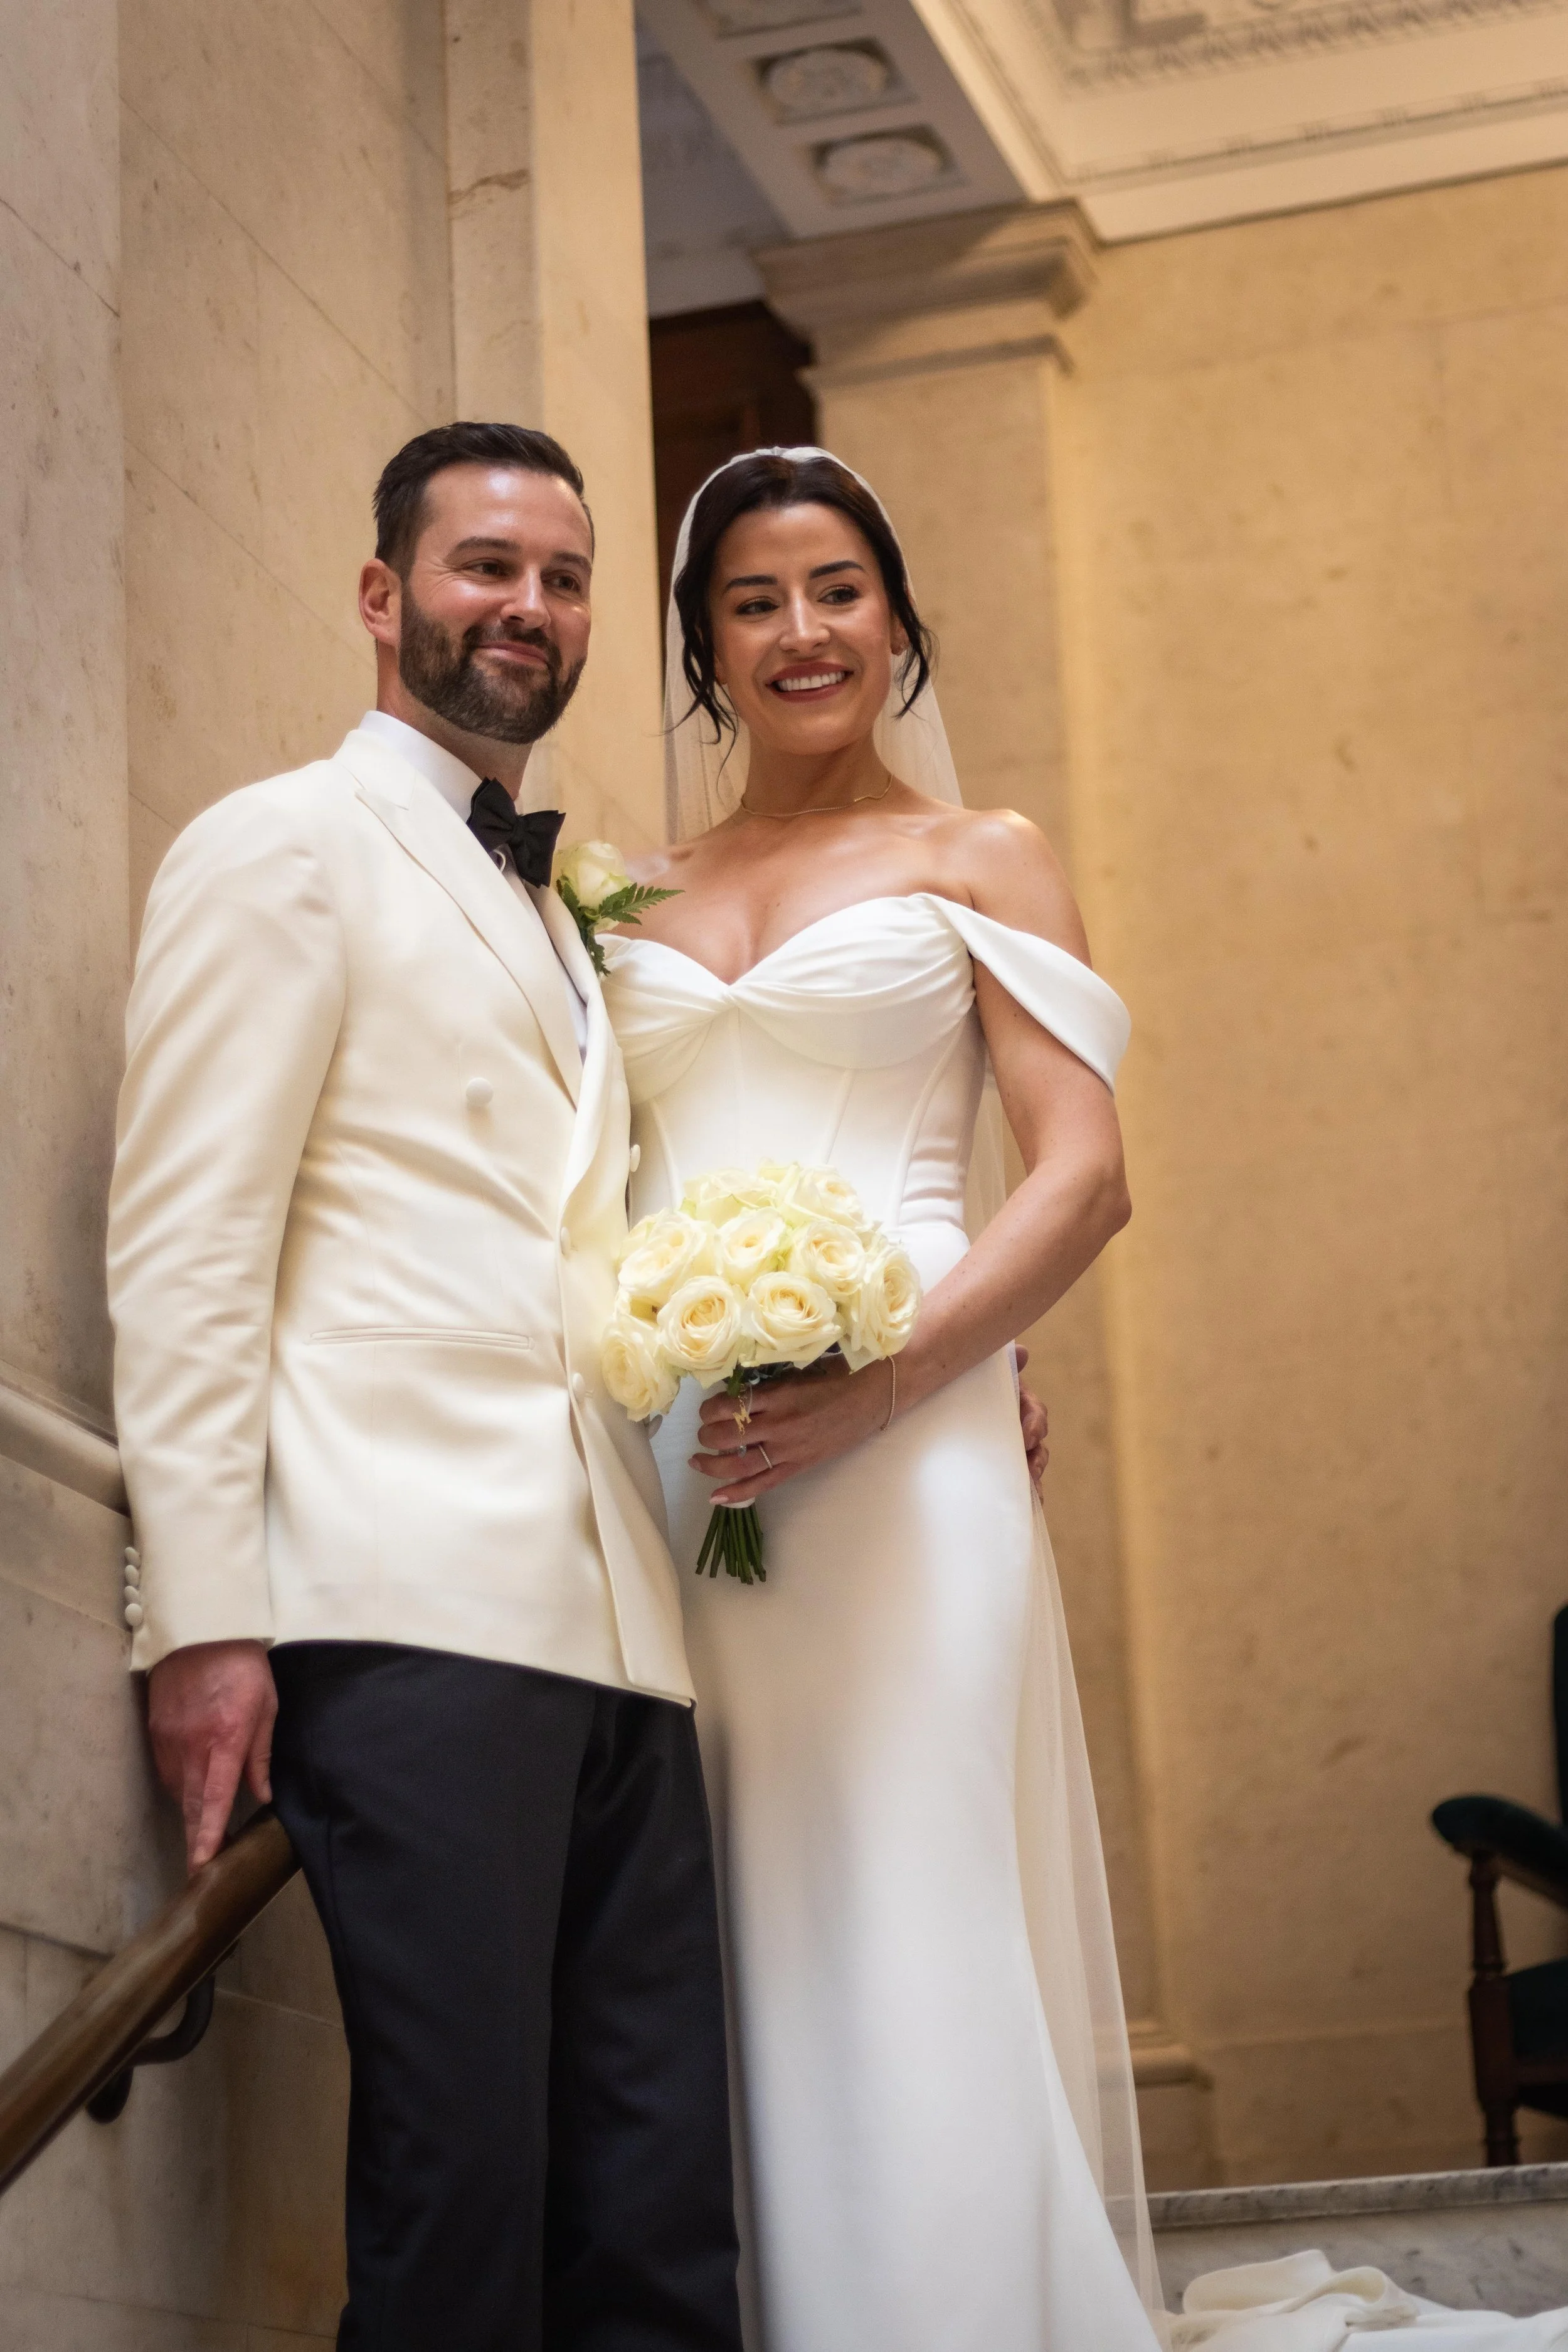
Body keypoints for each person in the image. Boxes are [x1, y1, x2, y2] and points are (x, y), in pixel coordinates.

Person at [600, 449, 1568, 2352]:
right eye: (752, 601)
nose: (801, 631)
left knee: (906, 1879)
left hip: (906, 1451)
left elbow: (1081, 1173)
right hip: (683, 1456)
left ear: (897, 618)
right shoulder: (620, 886)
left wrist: (878, 1386)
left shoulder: (982, 855)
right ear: (704, 645)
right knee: (718, 1918)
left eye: (837, 590)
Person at [107, 421, 744, 2352]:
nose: (526, 607)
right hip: (402, 1608)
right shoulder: (280, 843)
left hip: (618, 1625)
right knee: (456, 2189)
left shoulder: (571, 919)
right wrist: (203, 1615)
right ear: (384, 596)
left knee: (653, 2202)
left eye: (559, 576)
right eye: (484, 565)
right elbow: (186, 1243)